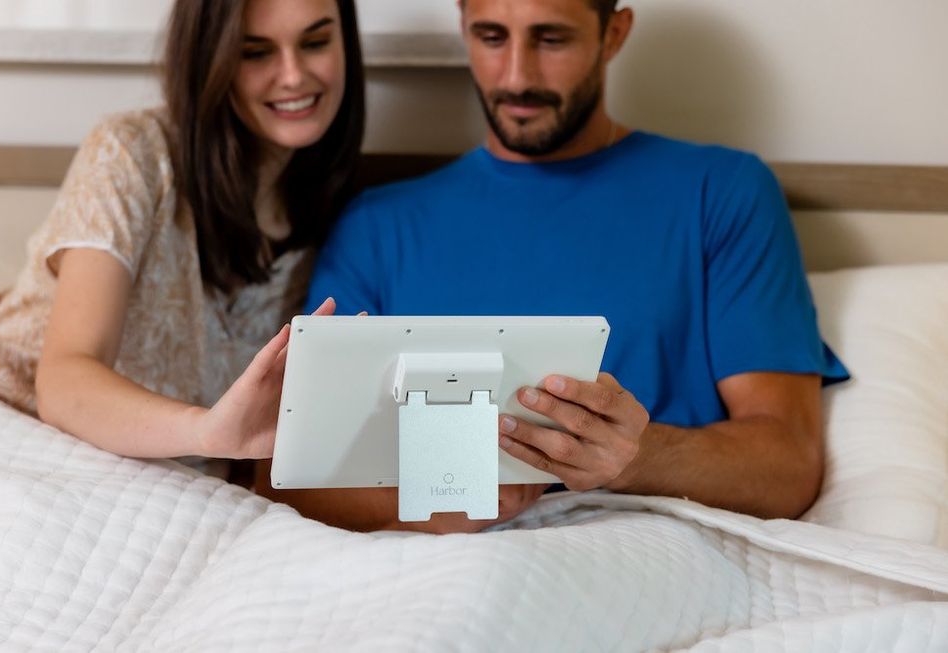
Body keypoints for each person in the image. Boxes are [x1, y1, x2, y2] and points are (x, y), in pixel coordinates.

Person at [286, 0, 848, 532]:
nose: (515, 77)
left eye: (551, 38)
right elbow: (288, 474)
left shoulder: (721, 193)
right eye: (491, 37)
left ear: (614, 34)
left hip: (650, 549)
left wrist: (631, 457)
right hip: (452, 566)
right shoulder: (378, 224)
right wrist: (438, 504)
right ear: (464, 27)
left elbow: (788, 464)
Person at [0, 0, 365, 473]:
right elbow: (64, 378)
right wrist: (208, 431)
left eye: (315, 42)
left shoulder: (340, 216)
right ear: (209, 61)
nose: (294, 74)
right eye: (255, 52)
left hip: (146, 476)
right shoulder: (133, 152)